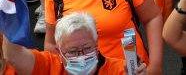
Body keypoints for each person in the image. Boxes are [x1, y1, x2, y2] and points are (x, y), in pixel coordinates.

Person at [3, 12, 138, 75]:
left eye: (86, 48)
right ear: (59, 51)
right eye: (73, 51)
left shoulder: (121, 70)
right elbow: (13, 56)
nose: (81, 56)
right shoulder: (49, 66)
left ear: (96, 45)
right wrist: (9, 8)